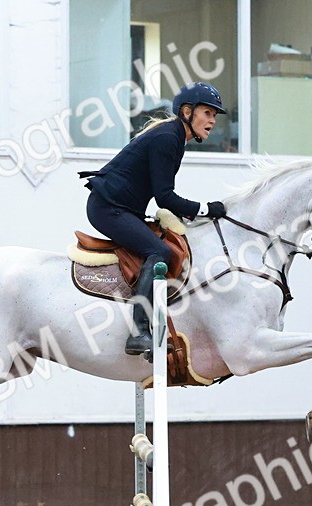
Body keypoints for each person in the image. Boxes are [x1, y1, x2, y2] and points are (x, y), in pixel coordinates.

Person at [80, 82, 230, 356]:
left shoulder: (174, 137)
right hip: (107, 208)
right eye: (207, 113)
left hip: (122, 208)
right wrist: (206, 209)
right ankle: (138, 332)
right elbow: (165, 197)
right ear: (187, 111)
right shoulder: (167, 138)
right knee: (158, 251)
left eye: (214, 116)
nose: (212, 121)